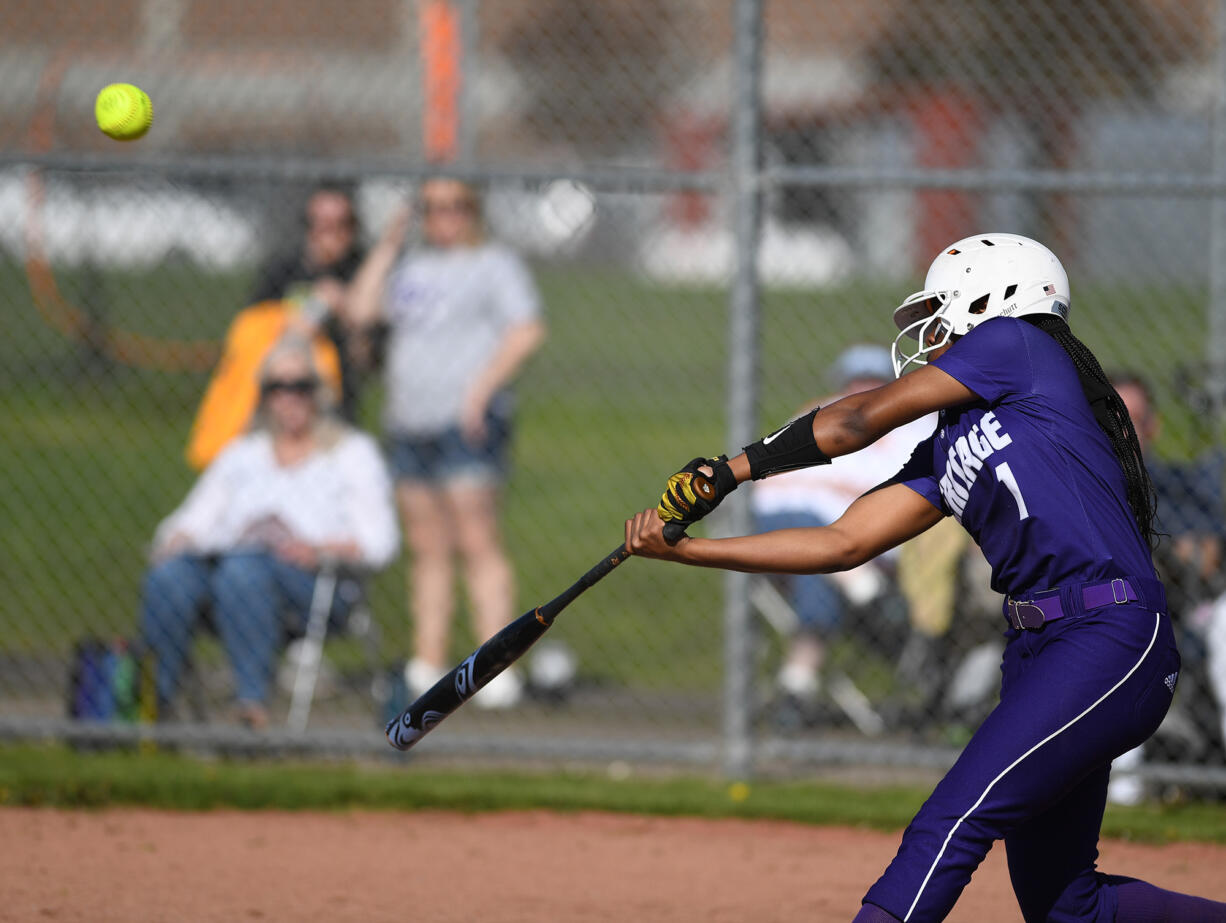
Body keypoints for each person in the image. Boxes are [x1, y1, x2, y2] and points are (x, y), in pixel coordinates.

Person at [627, 233, 1226, 921]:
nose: (931, 333)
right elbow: (843, 540)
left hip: (1107, 632)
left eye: (942, 312)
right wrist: (689, 551)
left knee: (949, 822)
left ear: (995, 297)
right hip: (1039, 647)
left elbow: (854, 419)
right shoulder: (948, 441)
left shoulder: (1020, 345)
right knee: (1069, 906)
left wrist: (732, 469)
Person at [346, 178, 547, 709]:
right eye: (432, 209)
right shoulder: (408, 266)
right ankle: (429, 662)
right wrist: (389, 244)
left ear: (473, 210)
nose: (444, 218)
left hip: (466, 426)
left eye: (456, 207)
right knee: (428, 548)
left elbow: (527, 329)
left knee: (477, 542)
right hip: (410, 423)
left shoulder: (492, 264)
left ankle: (494, 667)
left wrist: (479, 390)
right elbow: (361, 313)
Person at [141, 334, 399, 728]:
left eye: (301, 387)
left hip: (317, 585)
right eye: (278, 388)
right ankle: (151, 706)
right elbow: (187, 522)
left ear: (320, 392)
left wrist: (319, 548)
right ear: (264, 394)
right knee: (171, 577)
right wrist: (177, 540)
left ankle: (251, 706)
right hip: (228, 571)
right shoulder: (241, 456)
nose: (290, 398)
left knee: (243, 571)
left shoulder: (351, 454)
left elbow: (381, 542)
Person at [750, 344, 935, 707]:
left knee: (817, 559)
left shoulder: (916, 428)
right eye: (854, 381)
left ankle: (797, 685)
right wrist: (836, 490)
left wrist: (821, 486)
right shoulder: (816, 418)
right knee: (812, 534)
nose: (861, 390)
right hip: (789, 524)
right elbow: (767, 484)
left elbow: (900, 497)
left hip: (863, 546)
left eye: (874, 381)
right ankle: (866, 591)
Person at [247, 183, 371, 422]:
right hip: (282, 398)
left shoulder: (359, 271)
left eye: (340, 225)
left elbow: (367, 354)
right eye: (321, 224)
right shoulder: (283, 271)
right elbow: (250, 330)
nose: (329, 234)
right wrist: (312, 310)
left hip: (336, 401)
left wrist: (345, 307)